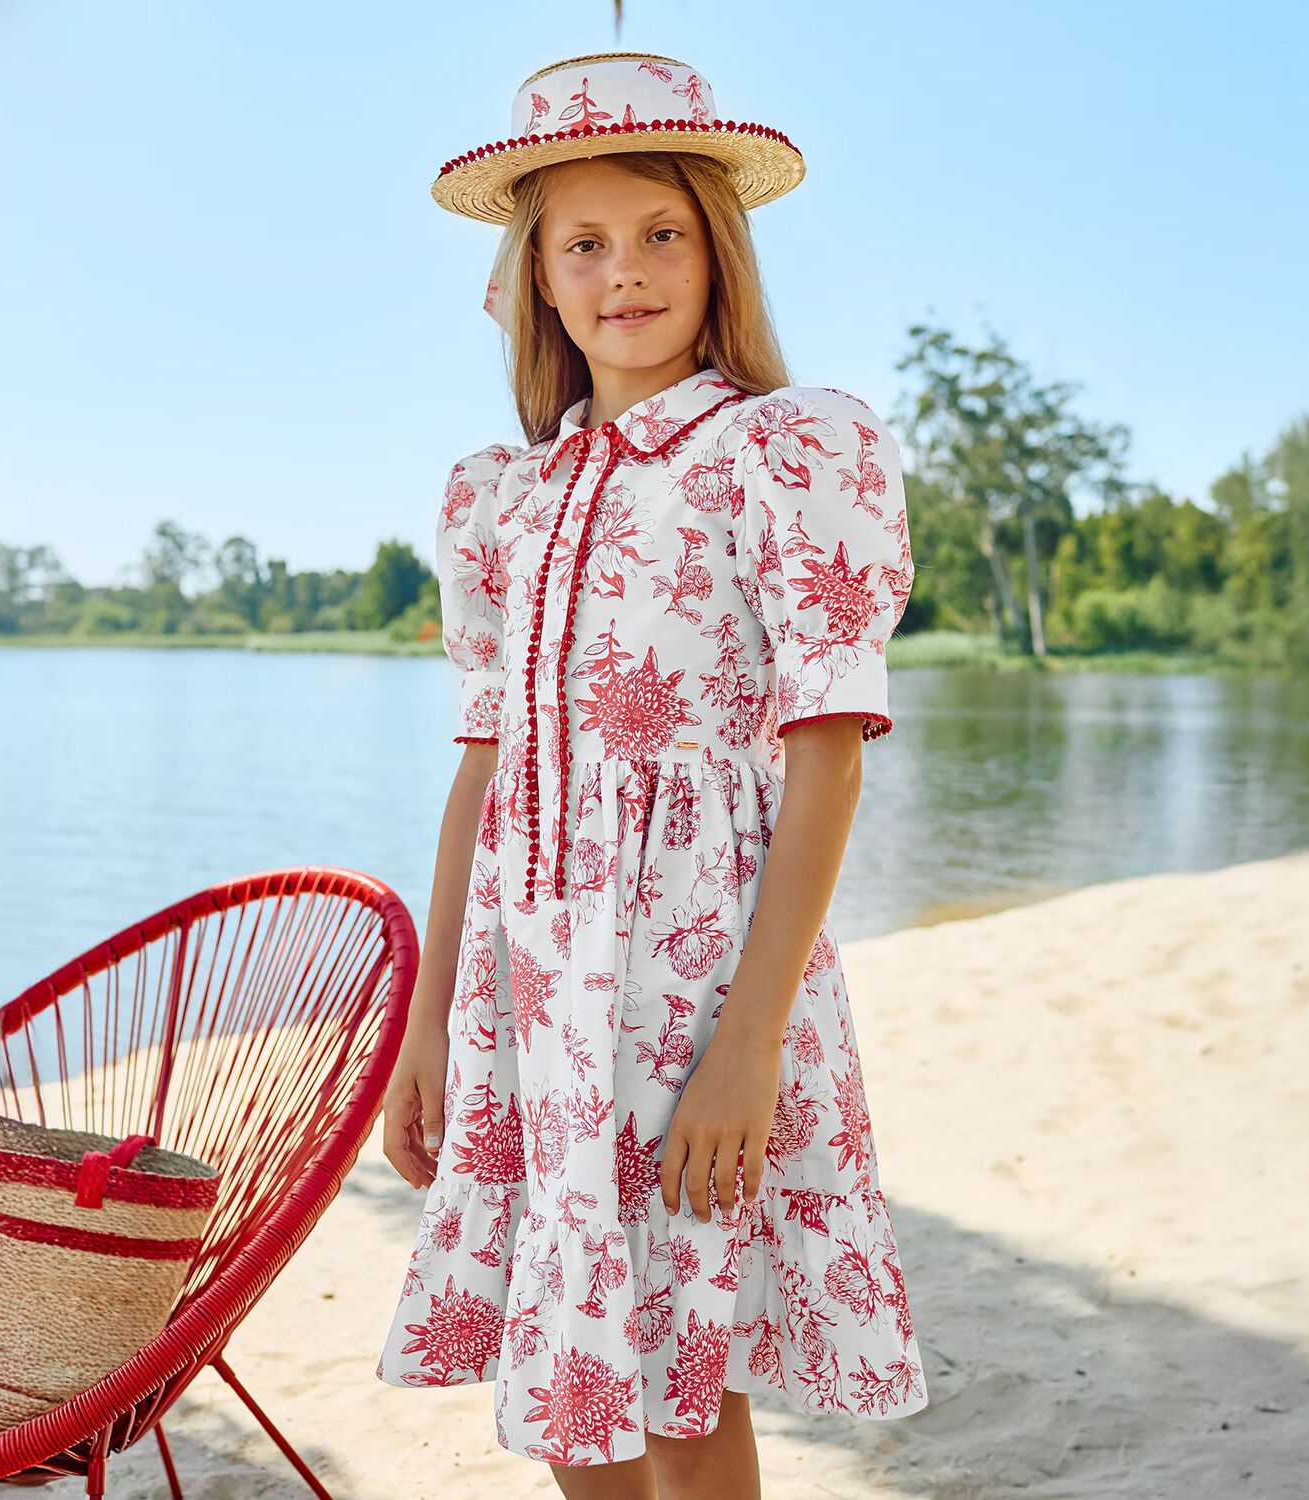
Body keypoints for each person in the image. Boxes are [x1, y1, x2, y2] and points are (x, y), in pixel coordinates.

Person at [375, 49, 928, 1496]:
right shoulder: (508, 501)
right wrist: (429, 1018)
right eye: (585, 242)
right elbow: (485, 779)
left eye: (661, 232)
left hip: (699, 986)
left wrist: (747, 1046)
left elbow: (826, 761)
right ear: (538, 280)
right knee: (570, 1365)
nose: (627, 272)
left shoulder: (779, 454)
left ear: (717, 249)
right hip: (533, 990)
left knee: (685, 1372)